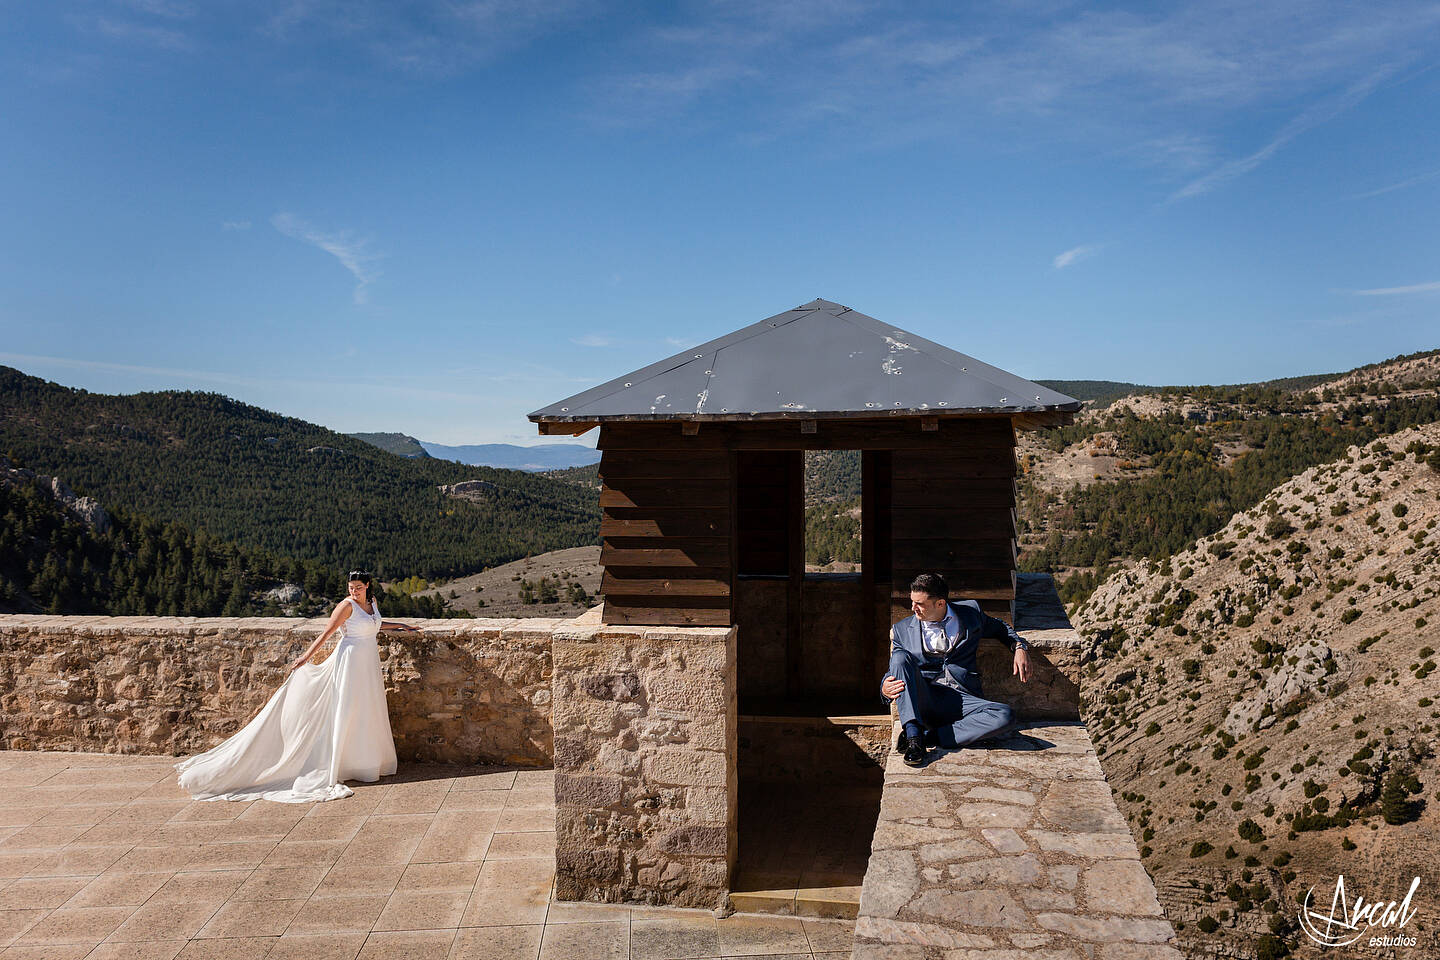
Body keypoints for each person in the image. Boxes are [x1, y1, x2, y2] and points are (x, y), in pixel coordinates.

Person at [175, 571, 420, 802]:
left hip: (368, 662)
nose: (354, 591)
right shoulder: (346, 606)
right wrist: (305, 657)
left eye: (358, 587)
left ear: (367, 586)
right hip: (351, 662)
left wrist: (399, 625)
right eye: (350, 587)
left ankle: (364, 763)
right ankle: (339, 762)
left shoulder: (371, 602)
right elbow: (326, 633)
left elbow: (373, 624)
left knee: (367, 711)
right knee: (347, 710)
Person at [881, 572, 1032, 767]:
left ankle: (929, 737)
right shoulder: (902, 629)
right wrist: (884, 689)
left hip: (962, 698)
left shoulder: (970, 613)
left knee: (1005, 715)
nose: (913, 608)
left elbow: (999, 627)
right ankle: (913, 736)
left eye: (920, 604)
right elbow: (897, 666)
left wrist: (1019, 647)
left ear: (941, 603)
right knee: (900, 657)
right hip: (926, 698)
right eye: (912, 601)